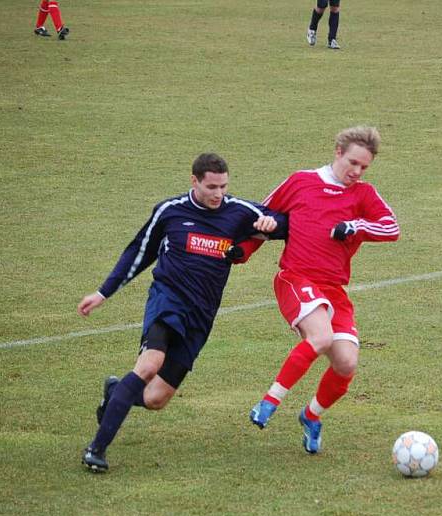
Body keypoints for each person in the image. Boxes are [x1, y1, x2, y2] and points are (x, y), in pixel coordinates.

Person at [77, 153, 287, 472]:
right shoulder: (170, 212)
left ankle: (116, 393)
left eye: (223, 186)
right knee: (149, 365)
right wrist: (104, 292)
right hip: (168, 299)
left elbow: (284, 224)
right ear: (194, 181)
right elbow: (138, 251)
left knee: (156, 399)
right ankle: (97, 449)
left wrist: (272, 223)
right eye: (211, 186)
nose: (218, 193)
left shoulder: (239, 212)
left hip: (201, 315)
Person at [239, 126, 399, 453]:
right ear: (338, 152)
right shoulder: (301, 182)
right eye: (352, 162)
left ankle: (311, 416)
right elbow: (262, 217)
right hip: (296, 278)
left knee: (346, 363)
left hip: (334, 289)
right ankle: (268, 402)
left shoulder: (363, 195)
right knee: (321, 338)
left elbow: (391, 227)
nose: (356, 172)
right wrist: (240, 252)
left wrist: (355, 226)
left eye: (364, 167)